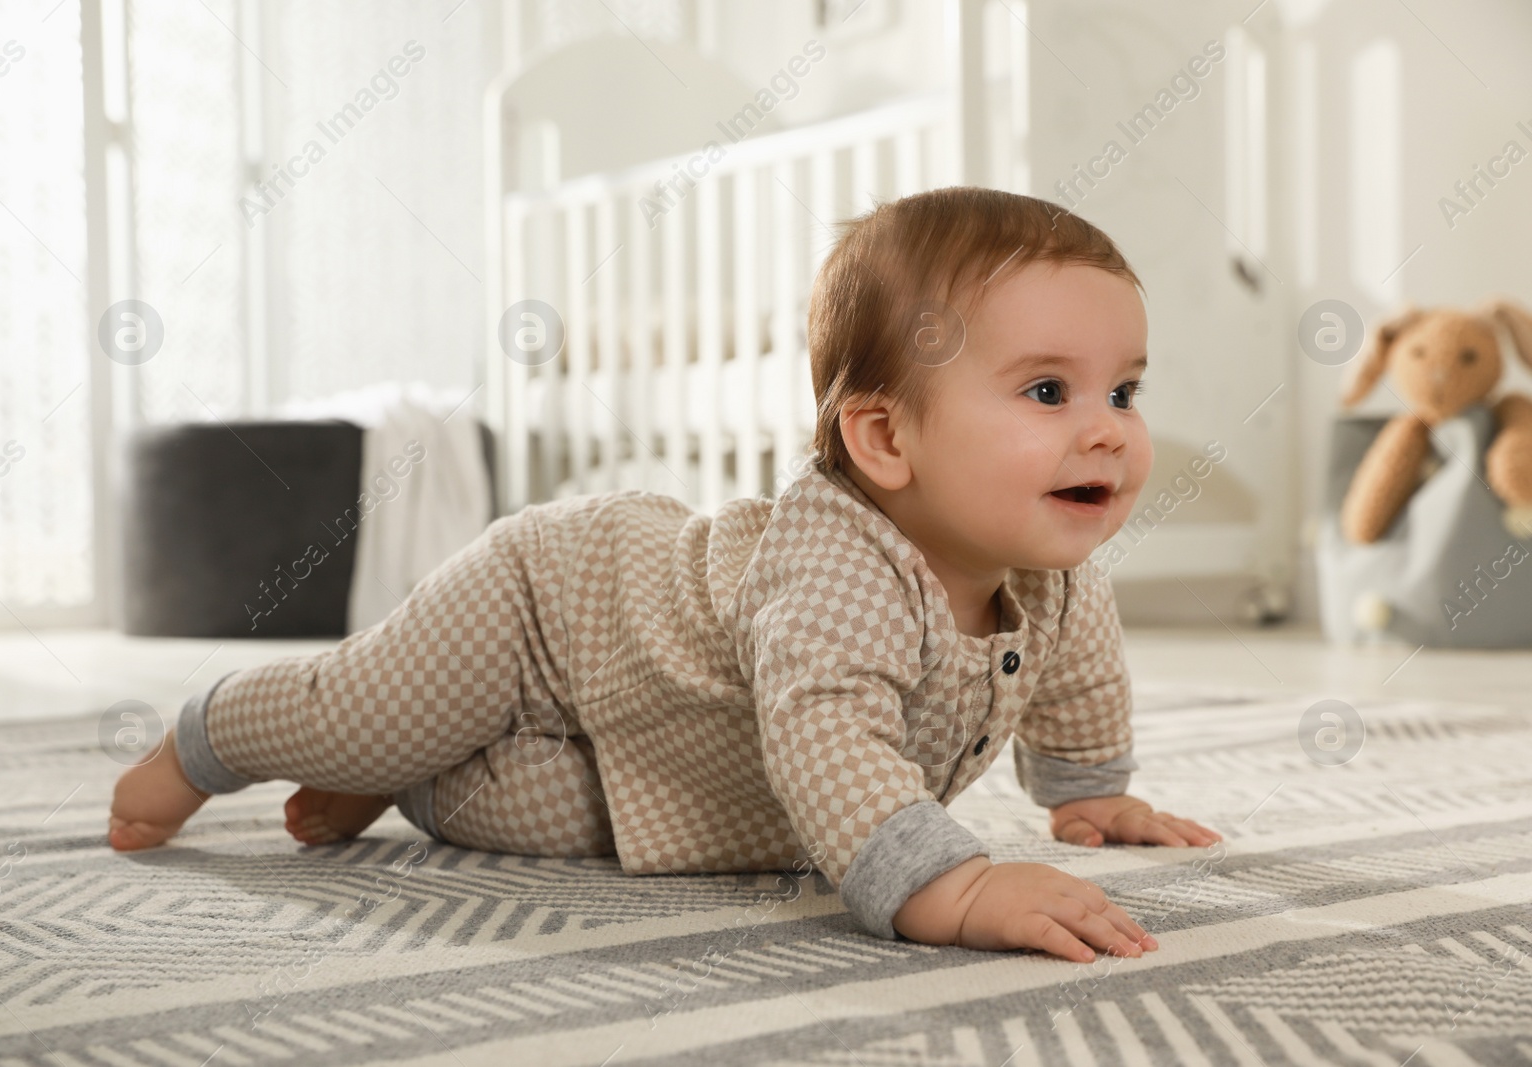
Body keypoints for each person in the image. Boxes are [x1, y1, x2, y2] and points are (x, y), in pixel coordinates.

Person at [108, 186, 1221, 960]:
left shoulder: (1052, 568)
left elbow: (1076, 673)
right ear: (884, 438)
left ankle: (413, 767)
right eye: (1046, 393)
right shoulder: (836, 569)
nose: (1110, 432)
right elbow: (830, 743)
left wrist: (1092, 793)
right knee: (357, 710)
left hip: (666, 744)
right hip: (553, 605)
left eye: (1123, 390)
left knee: (539, 813)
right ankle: (216, 731)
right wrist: (959, 885)